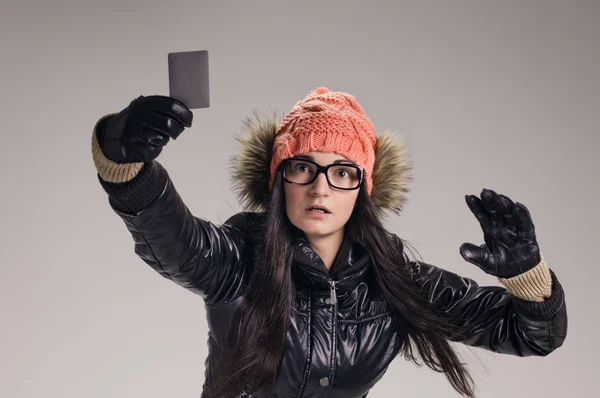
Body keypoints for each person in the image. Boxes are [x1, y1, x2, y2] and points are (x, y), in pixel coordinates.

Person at [90, 87, 567, 398]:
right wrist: (124, 164)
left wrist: (527, 275)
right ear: (280, 180)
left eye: (342, 172)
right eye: (303, 167)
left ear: (363, 189)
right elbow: (172, 240)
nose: (320, 188)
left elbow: (531, 335)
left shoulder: (394, 282)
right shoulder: (239, 261)